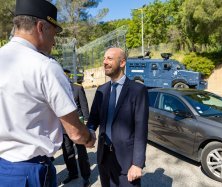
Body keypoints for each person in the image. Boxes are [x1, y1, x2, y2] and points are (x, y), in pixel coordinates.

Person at [0, 0, 95, 186]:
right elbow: (75, 133)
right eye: (54, 32)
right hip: (31, 171)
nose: (55, 40)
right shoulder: (45, 67)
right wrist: (89, 137)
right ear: (41, 27)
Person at [87, 47, 149, 187]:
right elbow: (93, 119)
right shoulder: (101, 90)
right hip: (104, 158)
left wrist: (137, 164)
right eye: (104, 58)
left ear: (122, 63)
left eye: (109, 58)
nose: (104, 62)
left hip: (127, 162)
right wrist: (89, 132)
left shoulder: (138, 90)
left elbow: (141, 129)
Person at [62, 69, 91, 187]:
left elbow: (84, 106)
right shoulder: (57, 90)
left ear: (68, 77)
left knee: (81, 152)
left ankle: (86, 177)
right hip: (63, 126)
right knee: (68, 151)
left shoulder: (78, 88)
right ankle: (73, 173)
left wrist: (87, 124)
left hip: (78, 125)